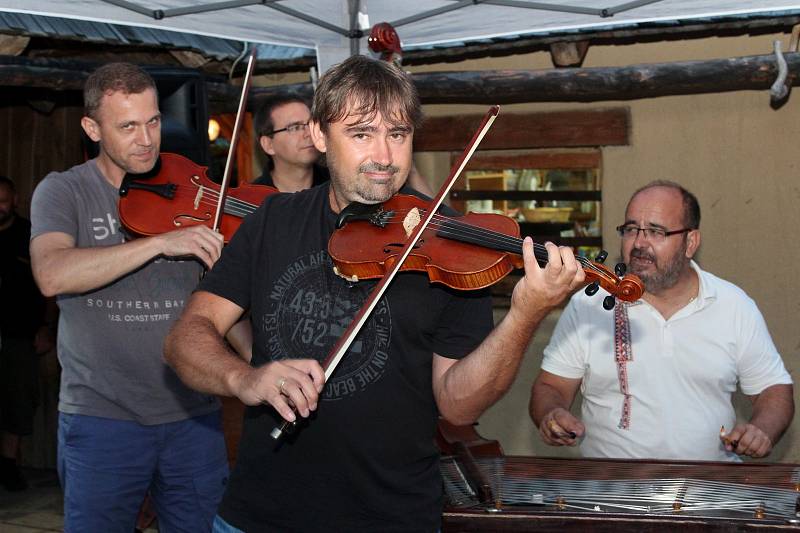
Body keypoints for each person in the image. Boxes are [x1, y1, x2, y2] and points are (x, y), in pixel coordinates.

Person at [164, 54, 585, 533]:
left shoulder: (449, 243)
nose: (385, 156)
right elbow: (185, 339)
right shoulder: (272, 222)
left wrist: (525, 314)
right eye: (362, 133)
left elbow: (458, 405)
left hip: (390, 516)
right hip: (258, 516)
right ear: (320, 136)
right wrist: (244, 380)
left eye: (399, 134)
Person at [29, 62, 228, 532]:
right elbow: (51, 273)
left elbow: (222, 306)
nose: (146, 139)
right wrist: (159, 243)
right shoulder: (64, 191)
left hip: (193, 415)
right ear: (92, 128)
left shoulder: (192, 196)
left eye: (153, 121)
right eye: (128, 126)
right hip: (102, 418)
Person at [530, 180, 794, 461]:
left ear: (690, 242)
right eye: (631, 229)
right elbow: (551, 387)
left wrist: (761, 429)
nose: (639, 243)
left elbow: (773, 389)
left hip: (708, 490)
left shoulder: (733, 305)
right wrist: (551, 413)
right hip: (610, 491)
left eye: (656, 231)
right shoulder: (589, 305)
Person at [252, 95, 434, 196]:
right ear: (268, 144)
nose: (309, 133)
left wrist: (405, 163)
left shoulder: (342, 182)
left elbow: (426, 210)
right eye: (295, 127)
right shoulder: (254, 197)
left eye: (309, 124)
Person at [0, 176, 55, 491]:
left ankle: (8, 464)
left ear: (15, 200)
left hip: (20, 333)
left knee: (18, 400)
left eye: (3, 200)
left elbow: (49, 287)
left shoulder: (30, 235)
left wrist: (46, 327)